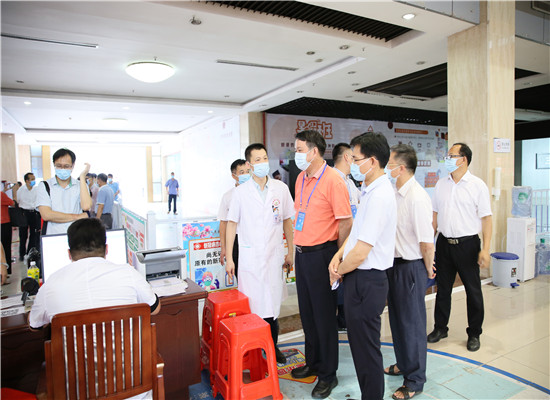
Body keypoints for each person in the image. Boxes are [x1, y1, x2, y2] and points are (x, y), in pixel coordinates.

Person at [328, 132, 396, 400]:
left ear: (373, 161)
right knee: (359, 347)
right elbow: (356, 234)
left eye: (356, 159)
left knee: (367, 350)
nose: (353, 164)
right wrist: (338, 255)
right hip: (358, 276)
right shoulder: (369, 190)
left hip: (368, 280)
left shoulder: (380, 196)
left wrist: (338, 270)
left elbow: (362, 251)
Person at [291, 130, 353, 399]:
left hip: (323, 254)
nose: (296, 154)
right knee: (308, 314)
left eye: (299, 149)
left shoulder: (333, 180)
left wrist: (337, 257)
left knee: (325, 317)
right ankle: (313, 362)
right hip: (302, 254)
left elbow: (346, 222)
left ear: (314, 151)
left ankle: (328, 374)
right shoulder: (301, 178)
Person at [225, 144, 294, 365]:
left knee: (272, 306)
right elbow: (231, 225)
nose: (263, 163)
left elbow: (287, 221)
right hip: (250, 258)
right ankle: (254, 350)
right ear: (249, 164)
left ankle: (273, 347)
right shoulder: (240, 193)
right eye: (257, 159)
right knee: (253, 306)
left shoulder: (280, 188)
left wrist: (290, 251)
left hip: (274, 255)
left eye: (265, 158)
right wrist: (229, 258)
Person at [29, 217, 160, 330]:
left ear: (69, 253)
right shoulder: (129, 273)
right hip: (127, 353)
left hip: (75, 353)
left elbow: (34, 325)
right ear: (107, 249)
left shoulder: (51, 284)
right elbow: (155, 308)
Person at [428, 142, 492, 352]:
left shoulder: (477, 185)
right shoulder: (441, 184)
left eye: (451, 156)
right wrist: (429, 244)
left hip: (468, 245)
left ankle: (474, 333)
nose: (447, 159)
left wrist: (485, 249)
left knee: (473, 291)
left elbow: (487, 219)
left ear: (463, 159)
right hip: (444, 244)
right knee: (443, 289)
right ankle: (440, 328)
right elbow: (435, 216)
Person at [383, 144, 435, 400]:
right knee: (397, 321)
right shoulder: (394, 192)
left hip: (411, 266)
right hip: (393, 266)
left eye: (390, 164)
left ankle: (414, 380)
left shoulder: (417, 197)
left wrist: (427, 270)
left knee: (412, 324)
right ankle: (403, 363)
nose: (387, 168)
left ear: (401, 168)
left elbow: (426, 242)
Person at [332, 143, 361, 332]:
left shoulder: (349, 181)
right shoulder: (333, 179)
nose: (355, 161)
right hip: (337, 241)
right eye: (353, 157)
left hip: (351, 240)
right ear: (346, 157)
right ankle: (340, 317)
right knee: (337, 279)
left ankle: (345, 317)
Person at [36, 148, 92, 235]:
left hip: (77, 235)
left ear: (73, 166)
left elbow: (86, 207)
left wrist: (82, 177)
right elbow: (46, 215)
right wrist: (77, 216)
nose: (62, 169)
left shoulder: (80, 185)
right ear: (54, 164)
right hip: (53, 235)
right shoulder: (45, 186)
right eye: (59, 166)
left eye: (66, 166)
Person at [218, 159, 249, 279]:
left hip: (252, 237)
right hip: (236, 239)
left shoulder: (256, 192)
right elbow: (223, 223)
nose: (246, 175)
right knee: (240, 275)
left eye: (248, 171)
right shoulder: (228, 196)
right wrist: (224, 247)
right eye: (242, 172)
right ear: (234, 175)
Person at [17, 173, 42, 260]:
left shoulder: (36, 189)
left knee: (33, 234)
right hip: (24, 213)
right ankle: (22, 254)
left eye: (34, 179)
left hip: (34, 213)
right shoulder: (21, 190)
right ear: (27, 181)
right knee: (23, 234)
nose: (33, 181)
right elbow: (18, 200)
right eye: (32, 179)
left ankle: (30, 253)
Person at [1, 188, 14, 274]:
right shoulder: (1, 195)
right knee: (6, 247)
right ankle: (6, 270)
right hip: (4, 224)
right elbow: (12, 203)